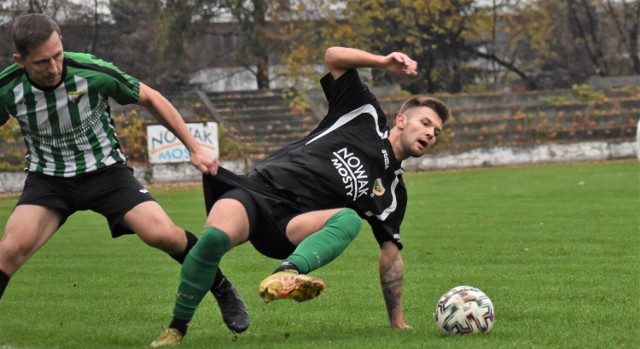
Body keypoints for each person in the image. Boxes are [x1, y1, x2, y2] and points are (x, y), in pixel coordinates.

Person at [150, 46, 451, 347]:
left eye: (436, 131)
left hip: (291, 226)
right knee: (213, 241)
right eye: (425, 123)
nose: (430, 134)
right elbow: (333, 56)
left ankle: (286, 274)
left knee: (348, 220)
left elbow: (390, 254)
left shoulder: (393, 192)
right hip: (257, 192)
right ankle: (176, 330)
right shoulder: (364, 114)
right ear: (401, 120)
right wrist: (382, 62)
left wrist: (396, 321)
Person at [0, 13, 249, 334]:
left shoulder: (91, 71)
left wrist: (194, 147)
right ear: (20, 61)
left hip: (106, 173)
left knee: (162, 235)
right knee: (9, 251)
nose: (54, 68)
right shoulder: (8, 88)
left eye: (58, 55)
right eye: (41, 62)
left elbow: (150, 97)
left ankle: (222, 288)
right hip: (49, 179)